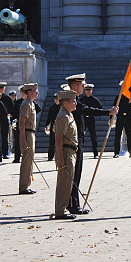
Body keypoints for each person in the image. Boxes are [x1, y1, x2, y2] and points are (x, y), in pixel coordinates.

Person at [66, 74, 117, 215]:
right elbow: (87, 110)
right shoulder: (71, 99)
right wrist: (108, 112)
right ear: (75, 85)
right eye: (82, 84)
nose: (84, 86)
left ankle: (73, 203)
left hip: (78, 139)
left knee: (77, 174)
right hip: (73, 140)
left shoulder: (74, 99)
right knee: (74, 174)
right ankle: (71, 204)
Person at [53, 90, 78, 220]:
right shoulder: (63, 115)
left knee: (68, 182)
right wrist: (60, 157)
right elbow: (58, 138)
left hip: (71, 151)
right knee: (64, 182)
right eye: (73, 101)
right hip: (66, 151)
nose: (75, 103)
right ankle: (60, 211)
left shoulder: (68, 114)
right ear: (66, 103)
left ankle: (63, 208)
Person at [18, 83, 39, 195]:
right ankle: (23, 186)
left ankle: (27, 184)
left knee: (30, 160)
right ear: (29, 92)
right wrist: (23, 139)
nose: (37, 92)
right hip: (27, 133)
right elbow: (22, 122)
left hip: (31, 133)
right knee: (27, 160)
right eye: (35, 90)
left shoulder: (31, 103)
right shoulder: (26, 104)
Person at [80, 83, 103, 159]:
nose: (88, 92)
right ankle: (80, 152)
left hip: (91, 119)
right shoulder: (82, 100)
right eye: (86, 90)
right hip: (83, 119)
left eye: (89, 90)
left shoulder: (95, 100)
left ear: (92, 90)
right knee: (81, 136)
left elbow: (100, 108)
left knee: (93, 136)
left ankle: (95, 153)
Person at [113, 80, 131, 158]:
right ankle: (116, 152)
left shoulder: (130, 97)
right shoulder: (118, 97)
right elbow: (114, 108)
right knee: (117, 135)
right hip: (120, 117)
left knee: (129, 134)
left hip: (128, 117)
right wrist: (111, 118)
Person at [0, 82, 13, 164]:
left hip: (4, 119)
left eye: (2, 88)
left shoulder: (7, 98)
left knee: (5, 136)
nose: (0, 90)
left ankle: (5, 153)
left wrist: (10, 115)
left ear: (4, 89)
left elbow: (12, 108)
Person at [46, 92, 61, 161]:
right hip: (53, 125)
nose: (56, 100)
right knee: (52, 141)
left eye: (57, 99)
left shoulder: (62, 107)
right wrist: (47, 125)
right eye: (55, 99)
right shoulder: (52, 108)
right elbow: (49, 117)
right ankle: (50, 156)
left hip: (60, 125)